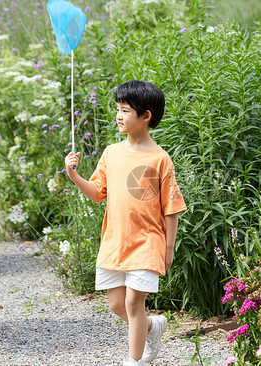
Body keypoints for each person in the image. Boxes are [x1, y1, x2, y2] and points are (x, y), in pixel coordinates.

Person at [64, 80, 187, 365]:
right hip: (115, 242)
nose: (119, 116)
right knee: (117, 304)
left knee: (134, 303)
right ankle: (151, 327)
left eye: (125, 110)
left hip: (147, 242)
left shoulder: (160, 159)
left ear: (146, 116)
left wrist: (168, 249)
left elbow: (171, 208)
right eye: (117, 109)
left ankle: (134, 361)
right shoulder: (111, 153)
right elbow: (97, 193)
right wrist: (74, 176)